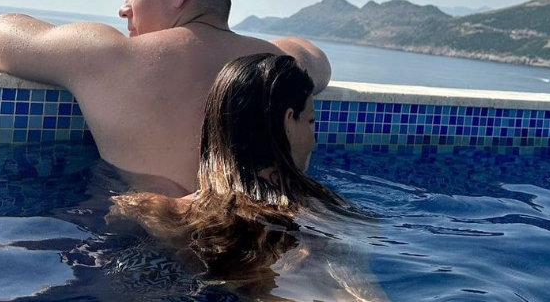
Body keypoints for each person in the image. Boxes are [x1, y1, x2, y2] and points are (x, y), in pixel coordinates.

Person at [0, 0, 331, 193]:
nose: (123, 9)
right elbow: (315, 58)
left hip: (142, 250)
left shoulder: (107, 56)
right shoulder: (280, 67)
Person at [109, 54, 390, 301]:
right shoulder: (326, 217)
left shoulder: (155, 210)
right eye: (310, 121)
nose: (314, 139)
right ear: (288, 122)